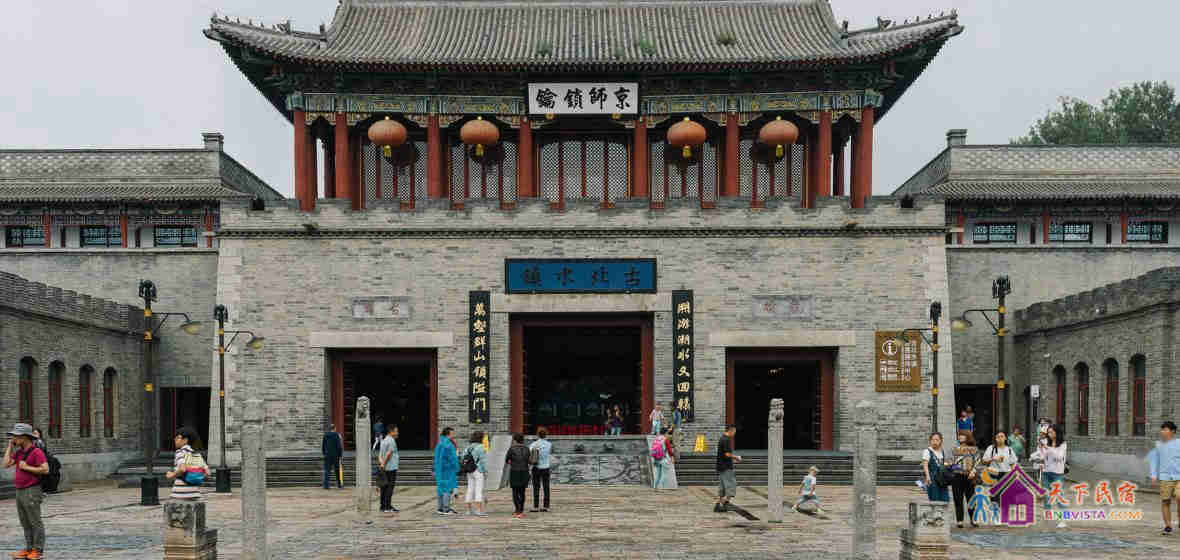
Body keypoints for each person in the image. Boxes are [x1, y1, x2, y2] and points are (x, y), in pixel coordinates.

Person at [5, 423, 48, 560]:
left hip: (32, 490)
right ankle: (29, 548)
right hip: (20, 490)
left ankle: (38, 551)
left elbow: (45, 469)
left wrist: (27, 467)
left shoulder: (36, 452)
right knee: (25, 521)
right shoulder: (19, 453)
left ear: (24, 437)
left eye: (16, 437)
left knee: (35, 521)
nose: (14, 439)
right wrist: (10, 446)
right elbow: (6, 464)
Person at [1030, 423, 1067, 528]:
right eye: (1048, 432)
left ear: (1057, 433)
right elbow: (1043, 456)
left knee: (1059, 496)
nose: (1049, 434)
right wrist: (1036, 456)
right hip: (1046, 472)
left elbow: (1059, 457)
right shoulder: (1047, 442)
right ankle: (1048, 517)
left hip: (1057, 473)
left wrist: (1048, 448)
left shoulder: (1062, 444)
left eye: (1051, 432)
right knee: (1046, 496)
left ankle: (1063, 520)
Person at [1147, 421, 1180, 536]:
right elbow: (1154, 460)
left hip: (1179, 476)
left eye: (1165, 429)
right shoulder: (1158, 445)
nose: (1163, 432)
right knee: (1166, 501)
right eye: (1162, 429)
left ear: (1172, 431)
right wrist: (1153, 475)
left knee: (1179, 496)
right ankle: (1168, 526)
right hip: (1165, 477)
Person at [166, 427, 208, 501]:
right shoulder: (197, 454)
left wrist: (172, 474)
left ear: (185, 440)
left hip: (180, 492)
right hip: (195, 492)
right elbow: (207, 473)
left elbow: (182, 469)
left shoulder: (180, 452)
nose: (175, 439)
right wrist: (194, 478)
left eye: (178, 437)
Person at [949, 431, 979, 528]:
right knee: (958, 498)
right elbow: (950, 461)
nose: (960, 437)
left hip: (969, 476)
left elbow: (978, 461)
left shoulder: (974, 449)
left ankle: (973, 519)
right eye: (959, 435)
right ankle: (959, 520)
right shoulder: (954, 449)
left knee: (971, 498)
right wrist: (950, 464)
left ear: (967, 437)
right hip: (956, 476)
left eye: (962, 435)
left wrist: (973, 471)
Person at [713, 425, 742, 512]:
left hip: (721, 466)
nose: (734, 434)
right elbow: (727, 454)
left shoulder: (722, 438)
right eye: (734, 432)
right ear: (731, 430)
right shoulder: (726, 440)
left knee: (722, 488)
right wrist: (736, 457)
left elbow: (724, 454)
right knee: (731, 486)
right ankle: (724, 503)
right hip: (726, 467)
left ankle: (718, 505)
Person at [433, 427, 459, 515]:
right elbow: (453, 458)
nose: (454, 435)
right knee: (447, 489)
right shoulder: (448, 445)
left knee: (440, 488)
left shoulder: (439, 443)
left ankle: (440, 508)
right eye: (452, 433)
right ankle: (446, 508)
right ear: (449, 434)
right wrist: (457, 467)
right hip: (448, 469)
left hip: (439, 469)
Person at [462, 431, 488, 517]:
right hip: (478, 470)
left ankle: (469, 510)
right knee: (478, 489)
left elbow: (463, 457)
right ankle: (479, 510)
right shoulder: (481, 447)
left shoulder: (468, 447)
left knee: (470, 489)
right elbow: (483, 461)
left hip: (469, 470)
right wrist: (485, 471)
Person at [506, 432, 531, 518]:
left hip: (515, 471)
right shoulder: (527, 449)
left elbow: (507, 460)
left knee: (515, 492)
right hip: (524, 471)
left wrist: (512, 462)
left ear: (515, 440)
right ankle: (521, 510)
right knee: (522, 492)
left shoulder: (511, 449)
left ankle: (517, 510)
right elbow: (529, 460)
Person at [921, 432, 950, 503]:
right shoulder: (927, 451)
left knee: (945, 499)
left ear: (941, 441)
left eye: (937, 440)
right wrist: (928, 477)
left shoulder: (942, 451)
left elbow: (945, 464)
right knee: (935, 499)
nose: (934, 442)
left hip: (942, 480)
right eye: (933, 440)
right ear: (930, 441)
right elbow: (925, 465)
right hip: (932, 479)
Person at [529, 427, 553, 512]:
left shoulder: (533, 444)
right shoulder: (549, 444)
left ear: (537, 435)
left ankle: (536, 506)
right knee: (546, 487)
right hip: (546, 467)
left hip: (536, 467)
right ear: (546, 434)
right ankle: (546, 506)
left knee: (536, 487)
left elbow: (530, 454)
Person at [378, 424, 400, 513]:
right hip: (391, 467)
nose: (397, 433)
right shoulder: (391, 441)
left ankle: (383, 506)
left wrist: (381, 464)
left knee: (384, 487)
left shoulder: (384, 440)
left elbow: (380, 454)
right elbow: (389, 453)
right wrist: (384, 463)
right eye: (396, 431)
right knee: (389, 487)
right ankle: (387, 506)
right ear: (391, 432)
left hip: (384, 468)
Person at [321, 423, 343, 489]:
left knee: (327, 470)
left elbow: (323, 445)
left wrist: (324, 453)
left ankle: (326, 485)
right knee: (337, 470)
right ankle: (339, 484)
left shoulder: (325, 435)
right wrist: (340, 455)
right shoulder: (336, 435)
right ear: (334, 428)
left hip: (327, 455)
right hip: (335, 455)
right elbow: (339, 446)